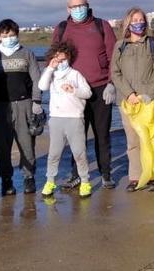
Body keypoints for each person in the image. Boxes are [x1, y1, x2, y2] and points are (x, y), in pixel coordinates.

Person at [51, 0, 117, 190]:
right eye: (74, 6)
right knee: (76, 136)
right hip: (73, 92)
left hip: (100, 88)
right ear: (68, 9)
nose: (78, 9)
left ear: (87, 6)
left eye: (82, 5)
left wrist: (112, 82)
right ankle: (76, 175)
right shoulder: (62, 29)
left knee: (102, 134)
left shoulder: (101, 25)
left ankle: (106, 174)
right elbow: (53, 57)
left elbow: (114, 56)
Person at [0, 19, 43, 195]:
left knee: (27, 144)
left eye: (12, 35)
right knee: (2, 146)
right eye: (5, 35)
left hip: (24, 104)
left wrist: (37, 102)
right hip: (0, 108)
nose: (9, 38)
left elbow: (36, 79)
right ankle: (6, 179)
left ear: (17, 35)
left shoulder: (28, 54)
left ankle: (28, 177)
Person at [110, 7, 154, 192]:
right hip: (127, 103)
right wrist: (129, 94)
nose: (138, 23)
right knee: (133, 142)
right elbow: (115, 73)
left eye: (141, 19)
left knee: (151, 139)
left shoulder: (153, 44)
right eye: (134, 20)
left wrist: (149, 93)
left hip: (149, 101)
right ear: (128, 23)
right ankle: (135, 176)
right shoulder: (120, 45)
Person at [38, 41, 94, 198]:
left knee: (79, 153)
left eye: (63, 60)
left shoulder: (75, 74)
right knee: (54, 153)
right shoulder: (52, 74)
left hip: (74, 119)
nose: (60, 63)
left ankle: (84, 181)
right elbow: (42, 86)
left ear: (69, 58)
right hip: (56, 119)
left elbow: (88, 93)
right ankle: (50, 181)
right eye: (57, 59)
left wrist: (74, 90)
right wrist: (50, 67)